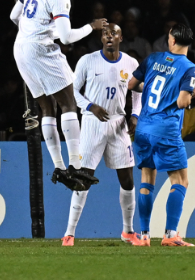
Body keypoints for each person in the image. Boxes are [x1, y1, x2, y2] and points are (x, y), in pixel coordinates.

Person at [10, 0, 107, 191]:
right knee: (69, 103)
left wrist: (33, 30)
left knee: (47, 108)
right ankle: (75, 164)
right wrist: (91, 27)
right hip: (40, 49)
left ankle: (59, 167)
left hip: (20, 47)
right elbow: (65, 38)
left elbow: (15, 15)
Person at [62, 24, 143, 246]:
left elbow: (137, 92)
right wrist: (90, 107)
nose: (109, 36)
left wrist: (135, 115)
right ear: (101, 38)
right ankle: (69, 233)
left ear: (121, 37)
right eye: (105, 34)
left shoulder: (131, 63)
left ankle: (128, 231)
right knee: (84, 178)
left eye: (114, 33)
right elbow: (73, 92)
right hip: (92, 124)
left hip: (118, 123)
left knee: (127, 179)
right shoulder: (87, 61)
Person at [126, 23, 195, 247]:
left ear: (172, 40)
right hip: (165, 130)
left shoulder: (153, 58)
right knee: (181, 181)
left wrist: (148, 90)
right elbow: (182, 102)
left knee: (147, 180)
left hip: (144, 128)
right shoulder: (190, 68)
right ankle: (170, 234)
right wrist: (192, 97)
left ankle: (145, 236)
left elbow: (131, 84)